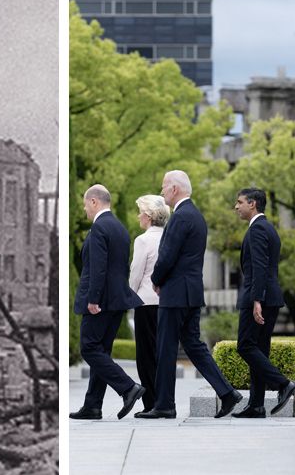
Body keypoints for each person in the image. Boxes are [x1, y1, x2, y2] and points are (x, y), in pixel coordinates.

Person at [137, 170, 243, 419]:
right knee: (194, 346)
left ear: (174, 189)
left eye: (164, 187)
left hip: (175, 294)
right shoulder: (195, 216)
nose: (162, 192)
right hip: (191, 292)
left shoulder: (181, 217)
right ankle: (227, 393)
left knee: (165, 348)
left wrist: (156, 280)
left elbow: (168, 256)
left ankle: (164, 405)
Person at [70, 184, 146, 420]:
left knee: (90, 349)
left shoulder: (100, 227)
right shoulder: (120, 228)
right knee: (101, 350)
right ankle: (92, 405)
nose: (85, 211)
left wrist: (93, 299)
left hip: (100, 301)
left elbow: (98, 268)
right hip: (117, 300)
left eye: (85, 205)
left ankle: (128, 387)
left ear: (94, 202)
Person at [232, 187, 295, 417]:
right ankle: (256, 405)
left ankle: (283, 384)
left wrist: (256, 300)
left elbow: (260, 267)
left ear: (252, 204)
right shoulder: (267, 228)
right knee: (259, 349)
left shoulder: (258, 230)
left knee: (245, 346)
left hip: (259, 297)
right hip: (267, 297)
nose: (236, 206)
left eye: (240, 202)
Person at [127, 194, 169, 414]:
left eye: (141, 212)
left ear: (150, 215)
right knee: (161, 353)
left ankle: (150, 403)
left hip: (145, 301)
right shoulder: (169, 238)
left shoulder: (143, 240)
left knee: (145, 355)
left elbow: (136, 273)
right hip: (165, 302)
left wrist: (129, 296)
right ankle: (162, 401)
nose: (138, 216)